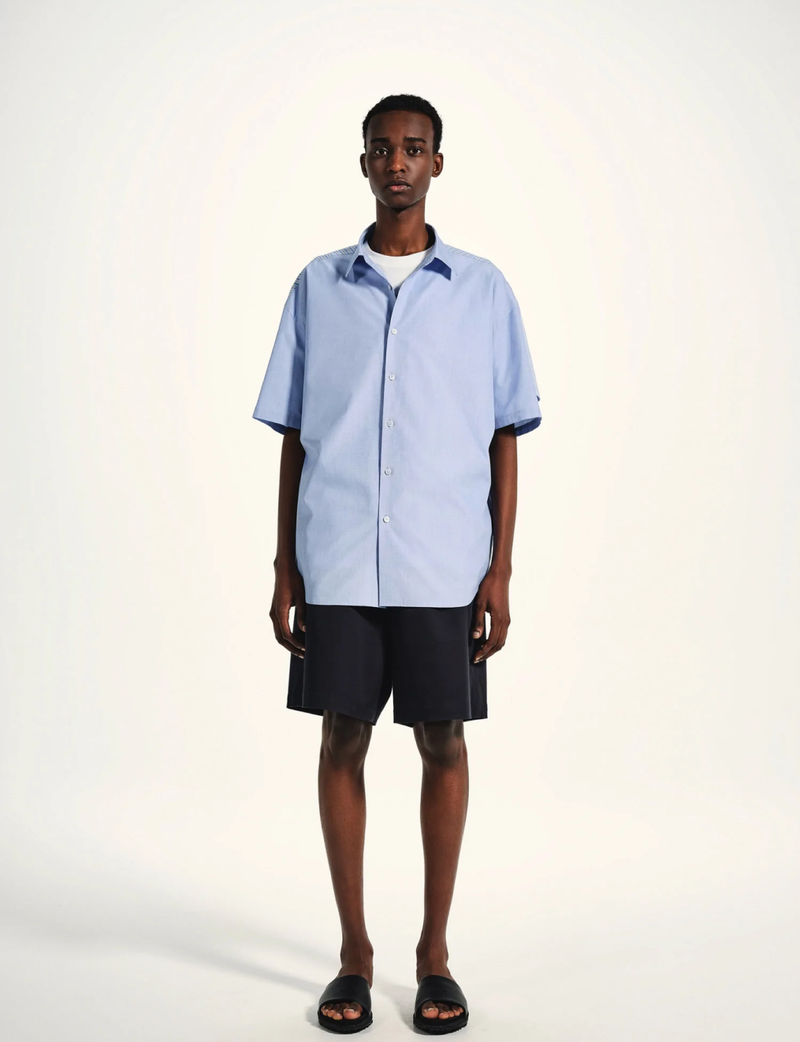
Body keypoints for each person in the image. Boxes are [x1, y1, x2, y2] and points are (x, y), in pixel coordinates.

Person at [252, 94, 542, 1034]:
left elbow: (504, 434)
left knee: (442, 741)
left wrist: (499, 571)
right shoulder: (317, 286)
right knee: (341, 739)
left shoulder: (483, 290)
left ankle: (434, 957)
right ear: (364, 162)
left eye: (415, 148)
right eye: (383, 149)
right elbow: (295, 435)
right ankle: (354, 956)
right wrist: (285, 566)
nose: (398, 163)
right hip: (338, 558)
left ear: (438, 162)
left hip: (442, 564)